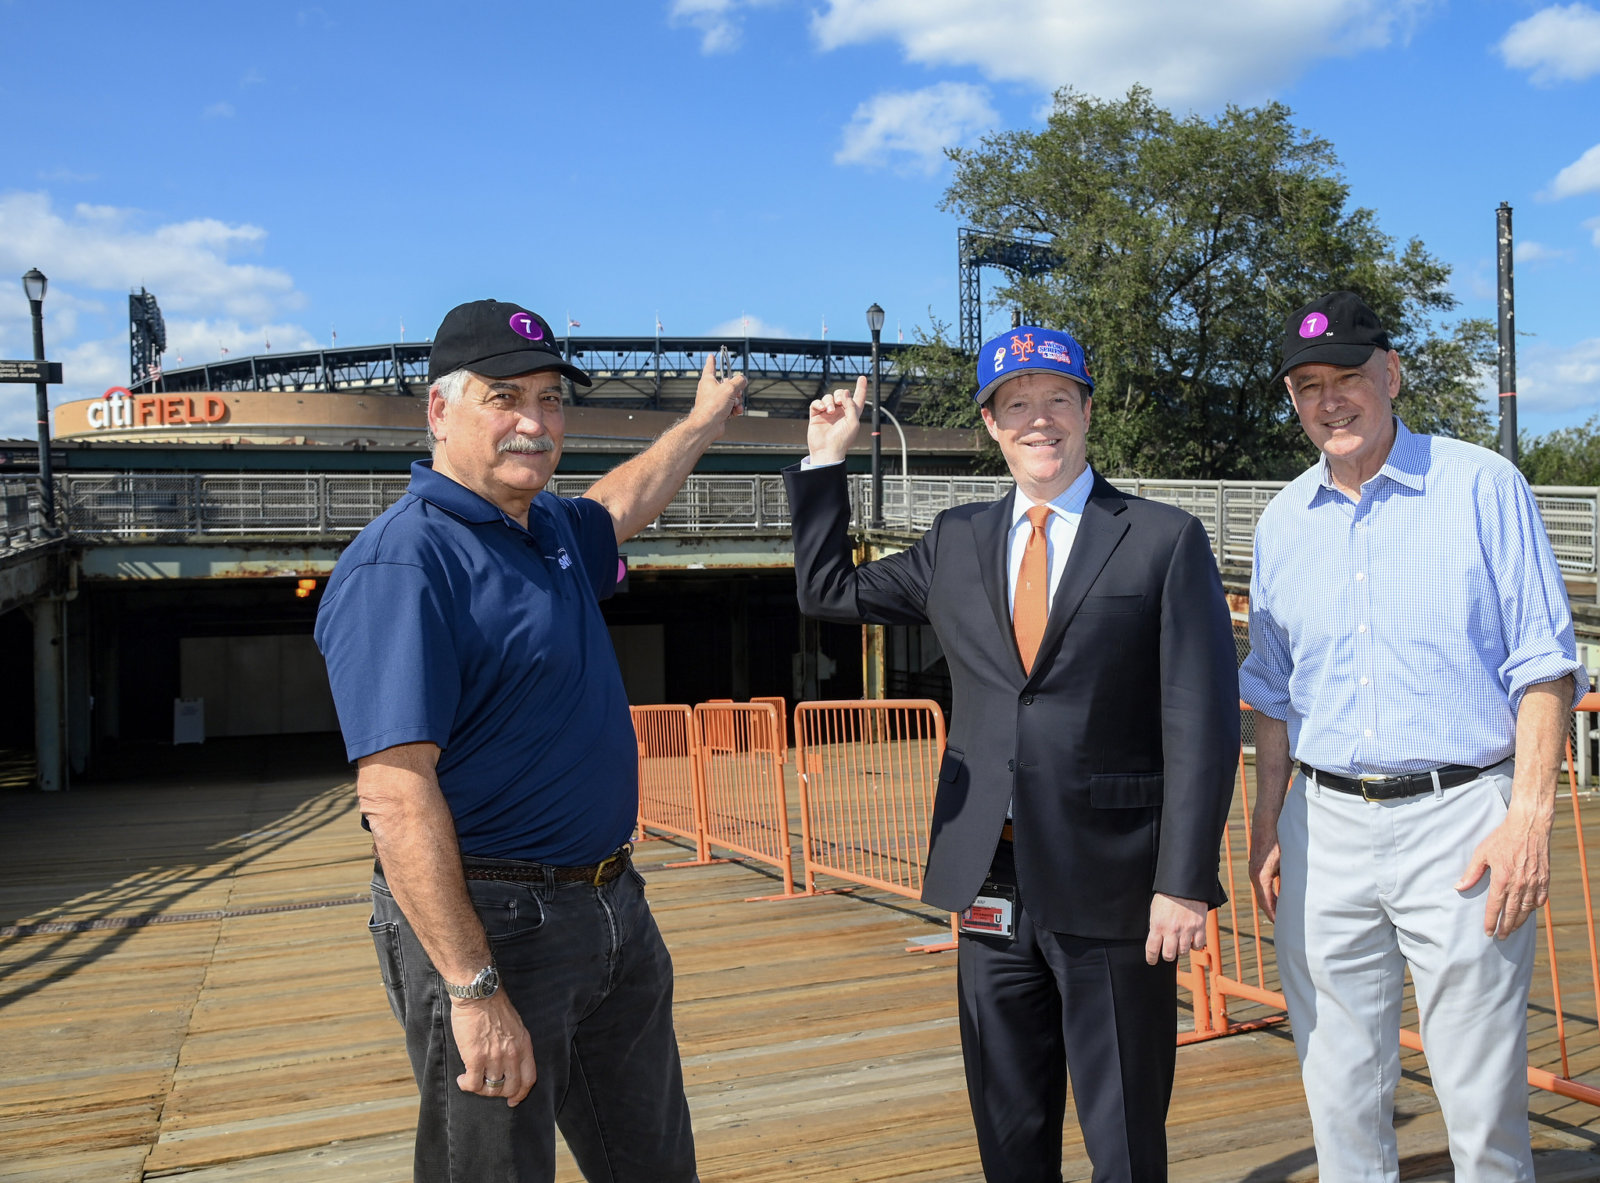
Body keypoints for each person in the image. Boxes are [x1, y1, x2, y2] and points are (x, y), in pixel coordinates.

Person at [785, 326, 1239, 1182]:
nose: (1040, 420)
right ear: (991, 423)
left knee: (1125, 1135)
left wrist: (1183, 880)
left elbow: (1201, 720)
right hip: (989, 878)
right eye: (1017, 404)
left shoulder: (1161, 538)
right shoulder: (957, 539)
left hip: (1114, 885)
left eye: (1057, 399)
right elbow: (826, 591)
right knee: (1008, 1125)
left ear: (1087, 411)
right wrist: (823, 461)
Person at [314, 299, 746, 1182]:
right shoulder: (406, 561)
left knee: (655, 1164)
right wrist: (473, 991)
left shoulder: (544, 529)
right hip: (492, 926)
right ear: (438, 410)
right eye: (504, 397)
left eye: (551, 400)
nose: (534, 422)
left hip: (610, 904)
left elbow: (620, 503)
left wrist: (698, 424)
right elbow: (395, 796)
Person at [1240, 291, 1585, 1182]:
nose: (1331, 399)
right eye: (1308, 385)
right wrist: (1267, 823)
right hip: (1324, 824)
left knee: (1481, 1101)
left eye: (1349, 376)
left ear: (1391, 374)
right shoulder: (1281, 524)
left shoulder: (1481, 486)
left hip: (1463, 820)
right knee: (1341, 1091)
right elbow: (1274, 697)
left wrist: (1529, 820)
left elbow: (1544, 666)